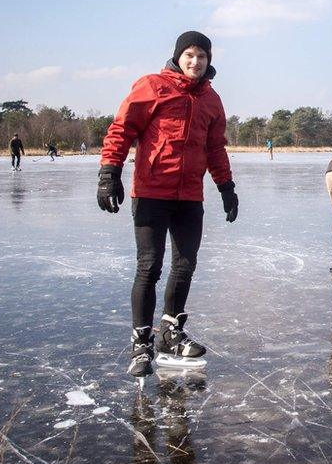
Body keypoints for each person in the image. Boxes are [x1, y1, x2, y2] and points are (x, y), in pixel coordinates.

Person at [97, 30, 238, 383]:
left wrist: (226, 186)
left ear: (209, 61)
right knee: (149, 266)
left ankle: (171, 333)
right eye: (189, 55)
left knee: (185, 264)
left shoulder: (211, 99)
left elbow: (215, 148)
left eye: (202, 56)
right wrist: (108, 172)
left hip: (190, 195)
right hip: (151, 192)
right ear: (178, 56)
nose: (195, 62)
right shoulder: (153, 86)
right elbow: (122, 129)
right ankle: (141, 343)